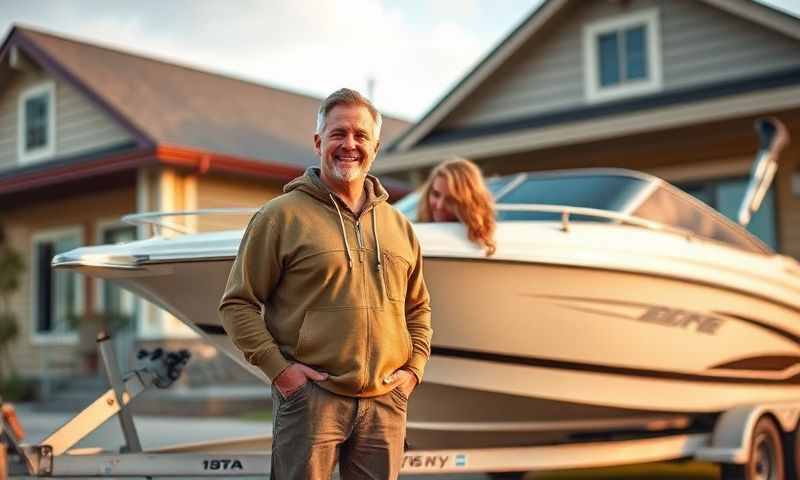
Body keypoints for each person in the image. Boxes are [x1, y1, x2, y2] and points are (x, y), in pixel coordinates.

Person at [218, 88, 432, 480]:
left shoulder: (399, 226)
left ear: (375, 147)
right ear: (319, 142)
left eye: (360, 135)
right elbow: (237, 304)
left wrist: (413, 370)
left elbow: (418, 307)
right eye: (338, 134)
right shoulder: (279, 217)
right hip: (311, 400)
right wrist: (283, 373)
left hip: (386, 402)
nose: (349, 144)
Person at [417, 157, 496, 255]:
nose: (440, 205)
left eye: (450, 200)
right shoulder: (413, 230)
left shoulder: (484, 240)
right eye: (436, 194)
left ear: (468, 203)